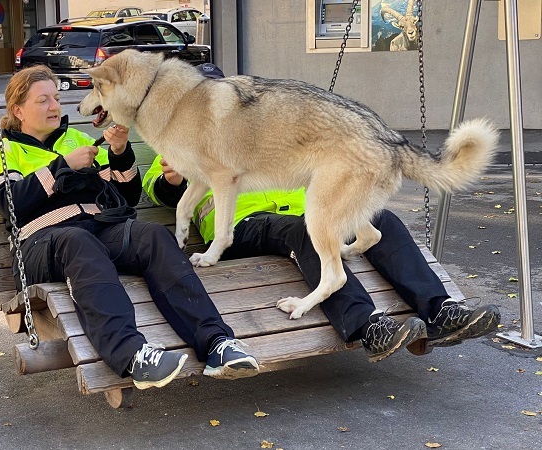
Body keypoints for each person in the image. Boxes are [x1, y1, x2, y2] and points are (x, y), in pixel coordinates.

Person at [143, 64, 501, 363]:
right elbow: (158, 190)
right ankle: (369, 327)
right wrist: (172, 176)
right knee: (303, 233)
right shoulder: (180, 149)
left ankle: (441, 311)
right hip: (247, 227)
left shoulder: (253, 129)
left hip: (304, 215)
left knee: (383, 222)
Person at [0, 65, 259, 389]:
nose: (55, 106)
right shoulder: (4, 151)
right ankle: (132, 355)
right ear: (18, 110)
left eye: (56, 98)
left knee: (154, 236)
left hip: (99, 228)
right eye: (43, 101)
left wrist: (119, 152)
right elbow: (8, 202)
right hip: (43, 243)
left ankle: (217, 344)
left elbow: (125, 194)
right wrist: (62, 167)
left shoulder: (79, 139)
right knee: (77, 241)